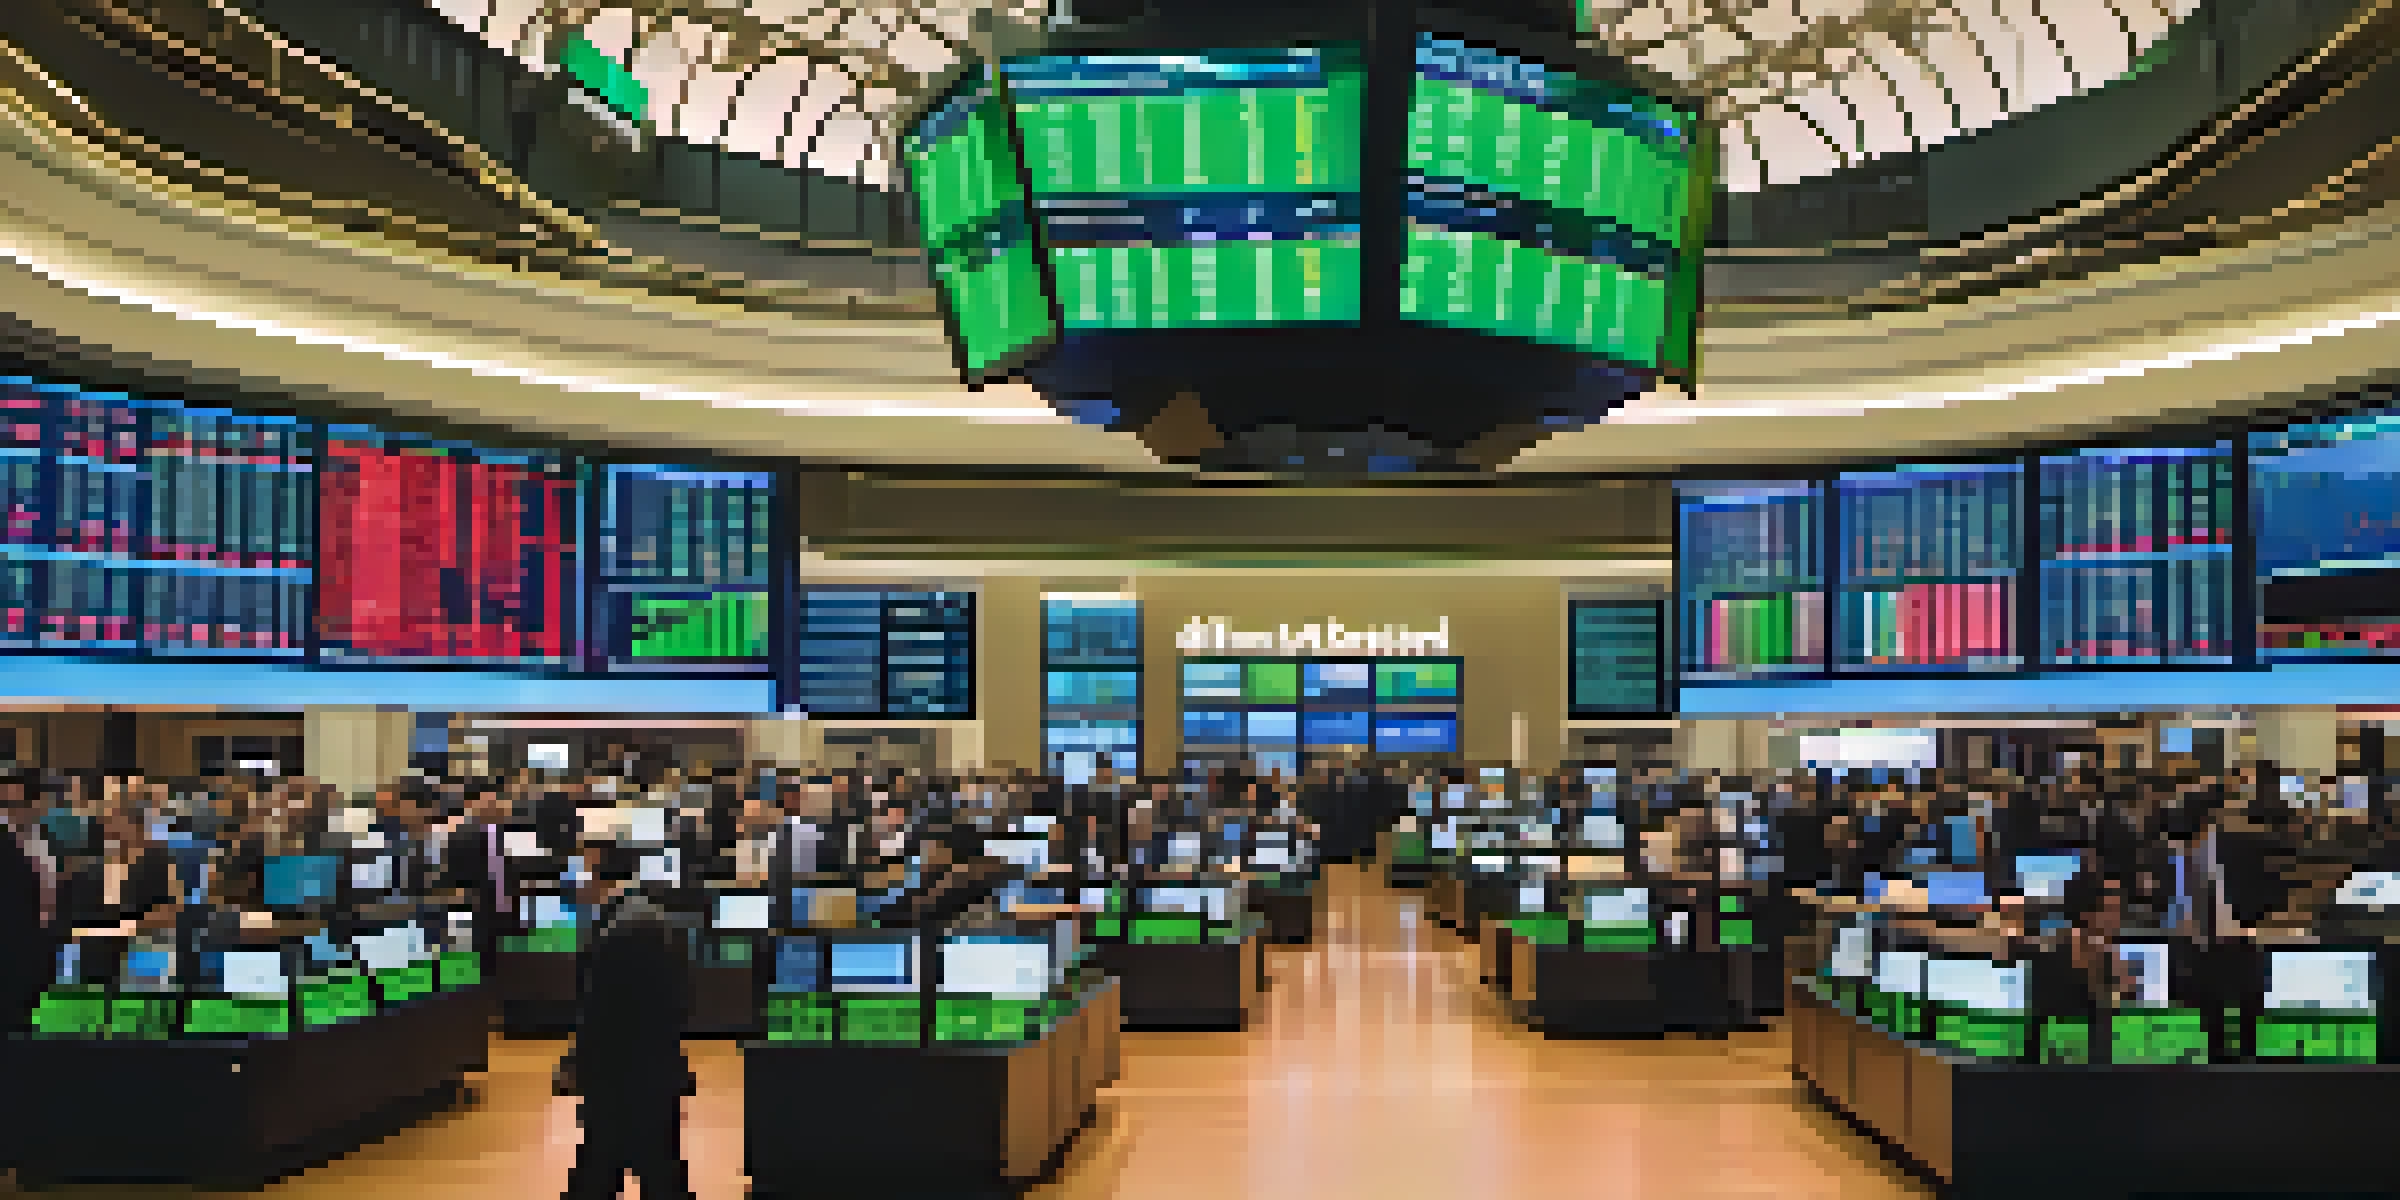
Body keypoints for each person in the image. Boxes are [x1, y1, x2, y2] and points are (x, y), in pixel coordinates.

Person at [556, 846, 697, 1200]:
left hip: (624, 1076)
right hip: (645, 1072)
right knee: (652, 1169)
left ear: (600, 874)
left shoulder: (626, 927)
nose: (575, 882)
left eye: (582, 871)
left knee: (611, 1169)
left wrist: (576, 1063)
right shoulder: (638, 915)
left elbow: (602, 1011)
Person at [0, 775, 63, 1035]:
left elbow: (47, 912)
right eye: (4, 803)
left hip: (24, 954)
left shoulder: (42, 849)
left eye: (14, 804)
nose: (7, 812)